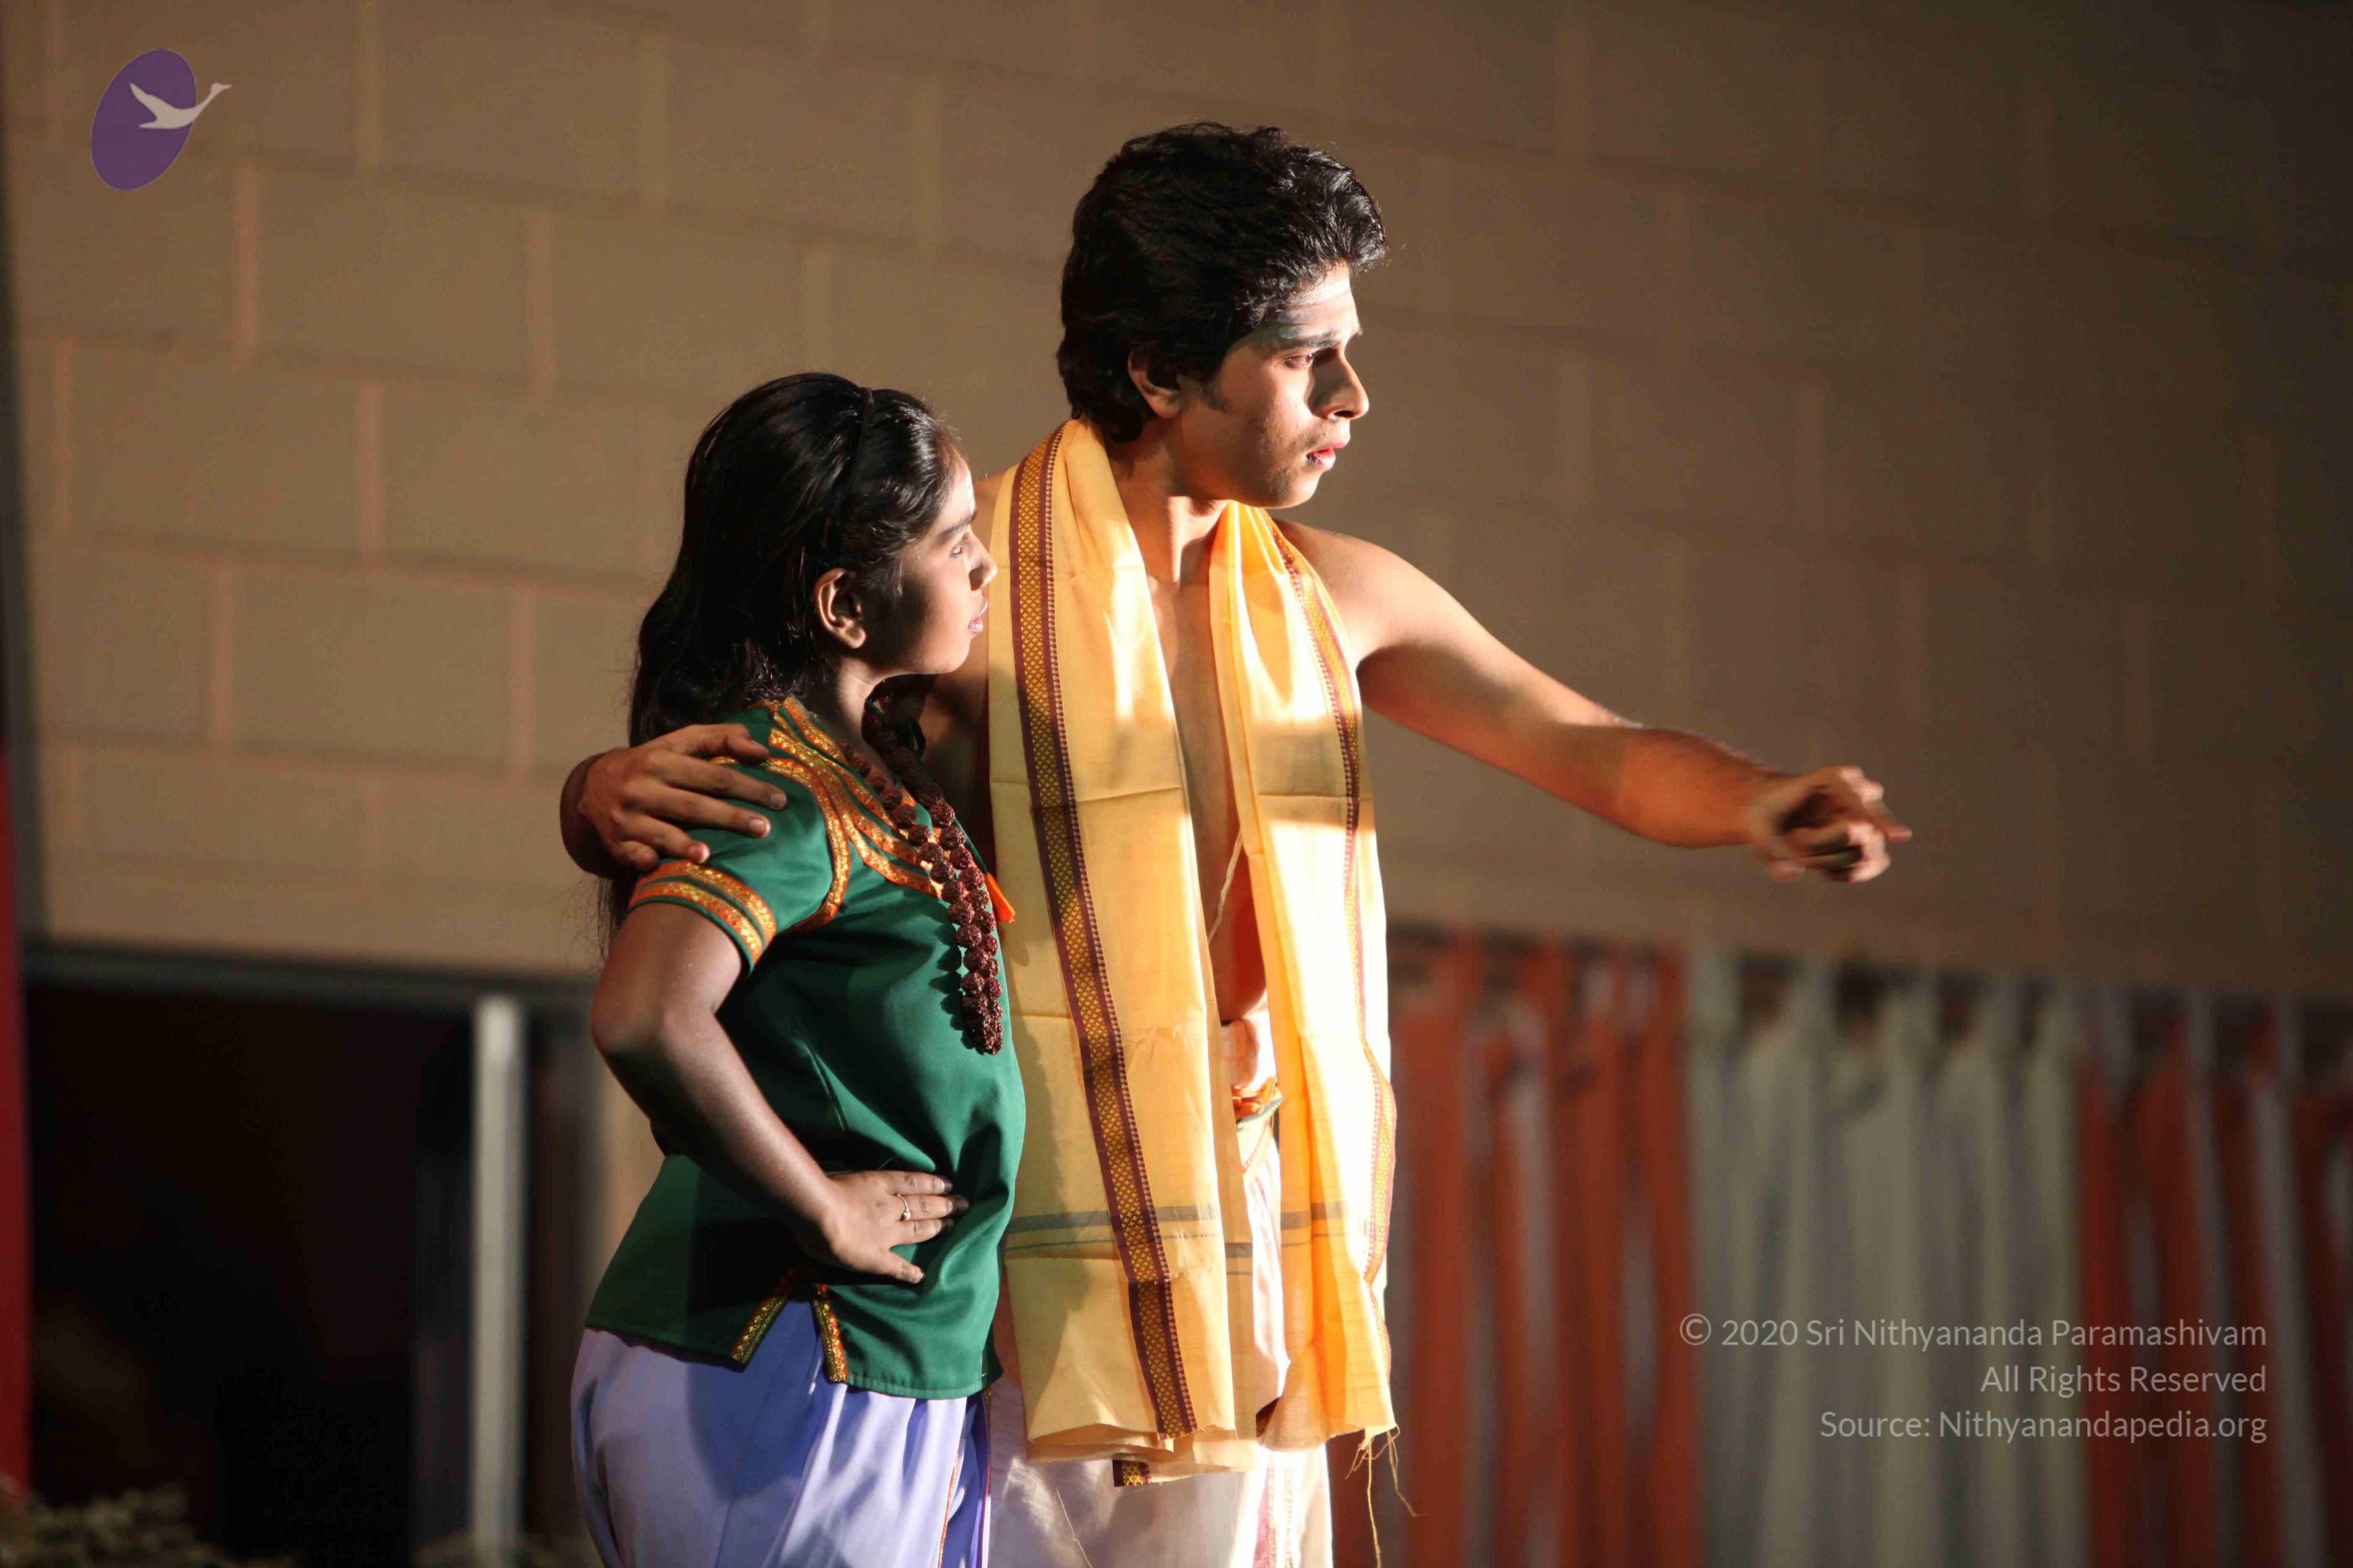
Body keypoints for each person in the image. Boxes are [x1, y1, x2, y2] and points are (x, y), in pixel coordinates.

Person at [558, 125, 1909, 1568]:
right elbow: (767, 735)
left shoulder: (1338, 595)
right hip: (1038, 1254)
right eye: (1306, 357)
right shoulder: (969, 589)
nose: (1353, 397)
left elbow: (1587, 746)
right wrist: (596, 791)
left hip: (1251, 1231)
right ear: (1158, 370)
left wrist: (1757, 801)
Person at [571, 372, 1019, 1567]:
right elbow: (646, 1016)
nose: (986, 567)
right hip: (787, 1348)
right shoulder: (780, 785)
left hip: (868, 1360)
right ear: (845, 604)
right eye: (954, 543)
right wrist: (823, 1207)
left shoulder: (873, 769)